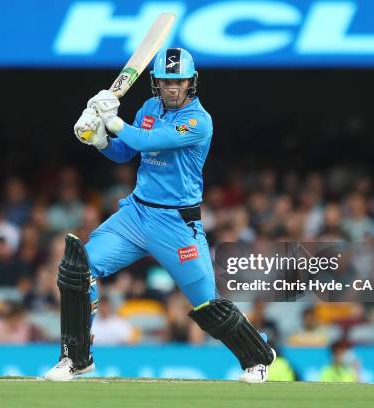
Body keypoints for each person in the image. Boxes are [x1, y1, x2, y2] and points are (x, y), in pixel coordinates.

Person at [44, 48, 275, 383]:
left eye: (178, 81)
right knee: (79, 269)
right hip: (136, 214)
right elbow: (126, 152)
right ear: (156, 82)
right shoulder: (149, 108)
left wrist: (112, 121)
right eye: (166, 81)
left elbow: (148, 139)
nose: (172, 87)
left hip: (177, 224)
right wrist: (99, 140)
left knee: (206, 304)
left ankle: (258, 358)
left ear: (191, 83)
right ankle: (76, 359)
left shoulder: (198, 121)